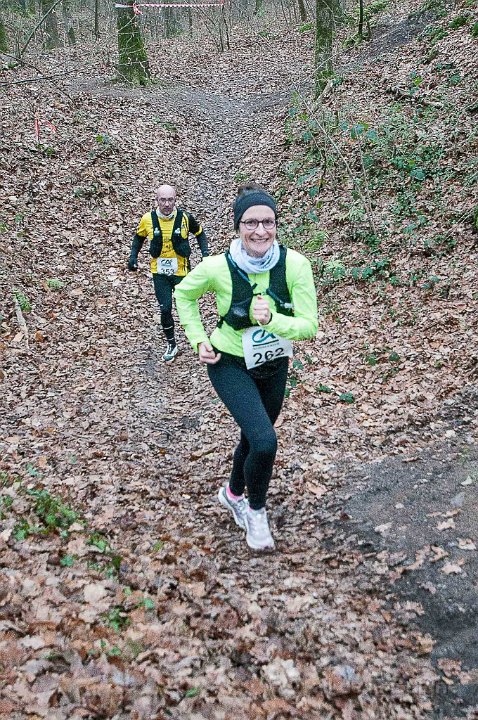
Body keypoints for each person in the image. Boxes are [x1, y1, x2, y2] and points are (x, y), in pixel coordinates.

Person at [175, 183, 318, 550]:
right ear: (238, 226)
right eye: (250, 223)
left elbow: (309, 326)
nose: (260, 231)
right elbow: (183, 294)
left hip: (273, 364)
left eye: (268, 222)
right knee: (265, 441)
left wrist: (273, 320)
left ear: (276, 225)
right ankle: (256, 512)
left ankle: (232, 493)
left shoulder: (295, 265)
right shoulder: (217, 267)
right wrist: (198, 338)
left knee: (253, 435)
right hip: (229, 363)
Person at [128, 184, 209, 361]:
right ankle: (171, 344)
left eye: (170, 200)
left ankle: (199, 340)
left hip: (181, 271)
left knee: (187, 307)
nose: (166, 204)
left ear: (175, 200)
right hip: (159, 273)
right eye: (163, 200)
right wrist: (133, 257)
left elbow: (200, 233)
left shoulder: (185, 218)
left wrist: (205, 255)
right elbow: (138, 238)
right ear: (156, 200)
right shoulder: (147, 219)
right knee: (165, 308)